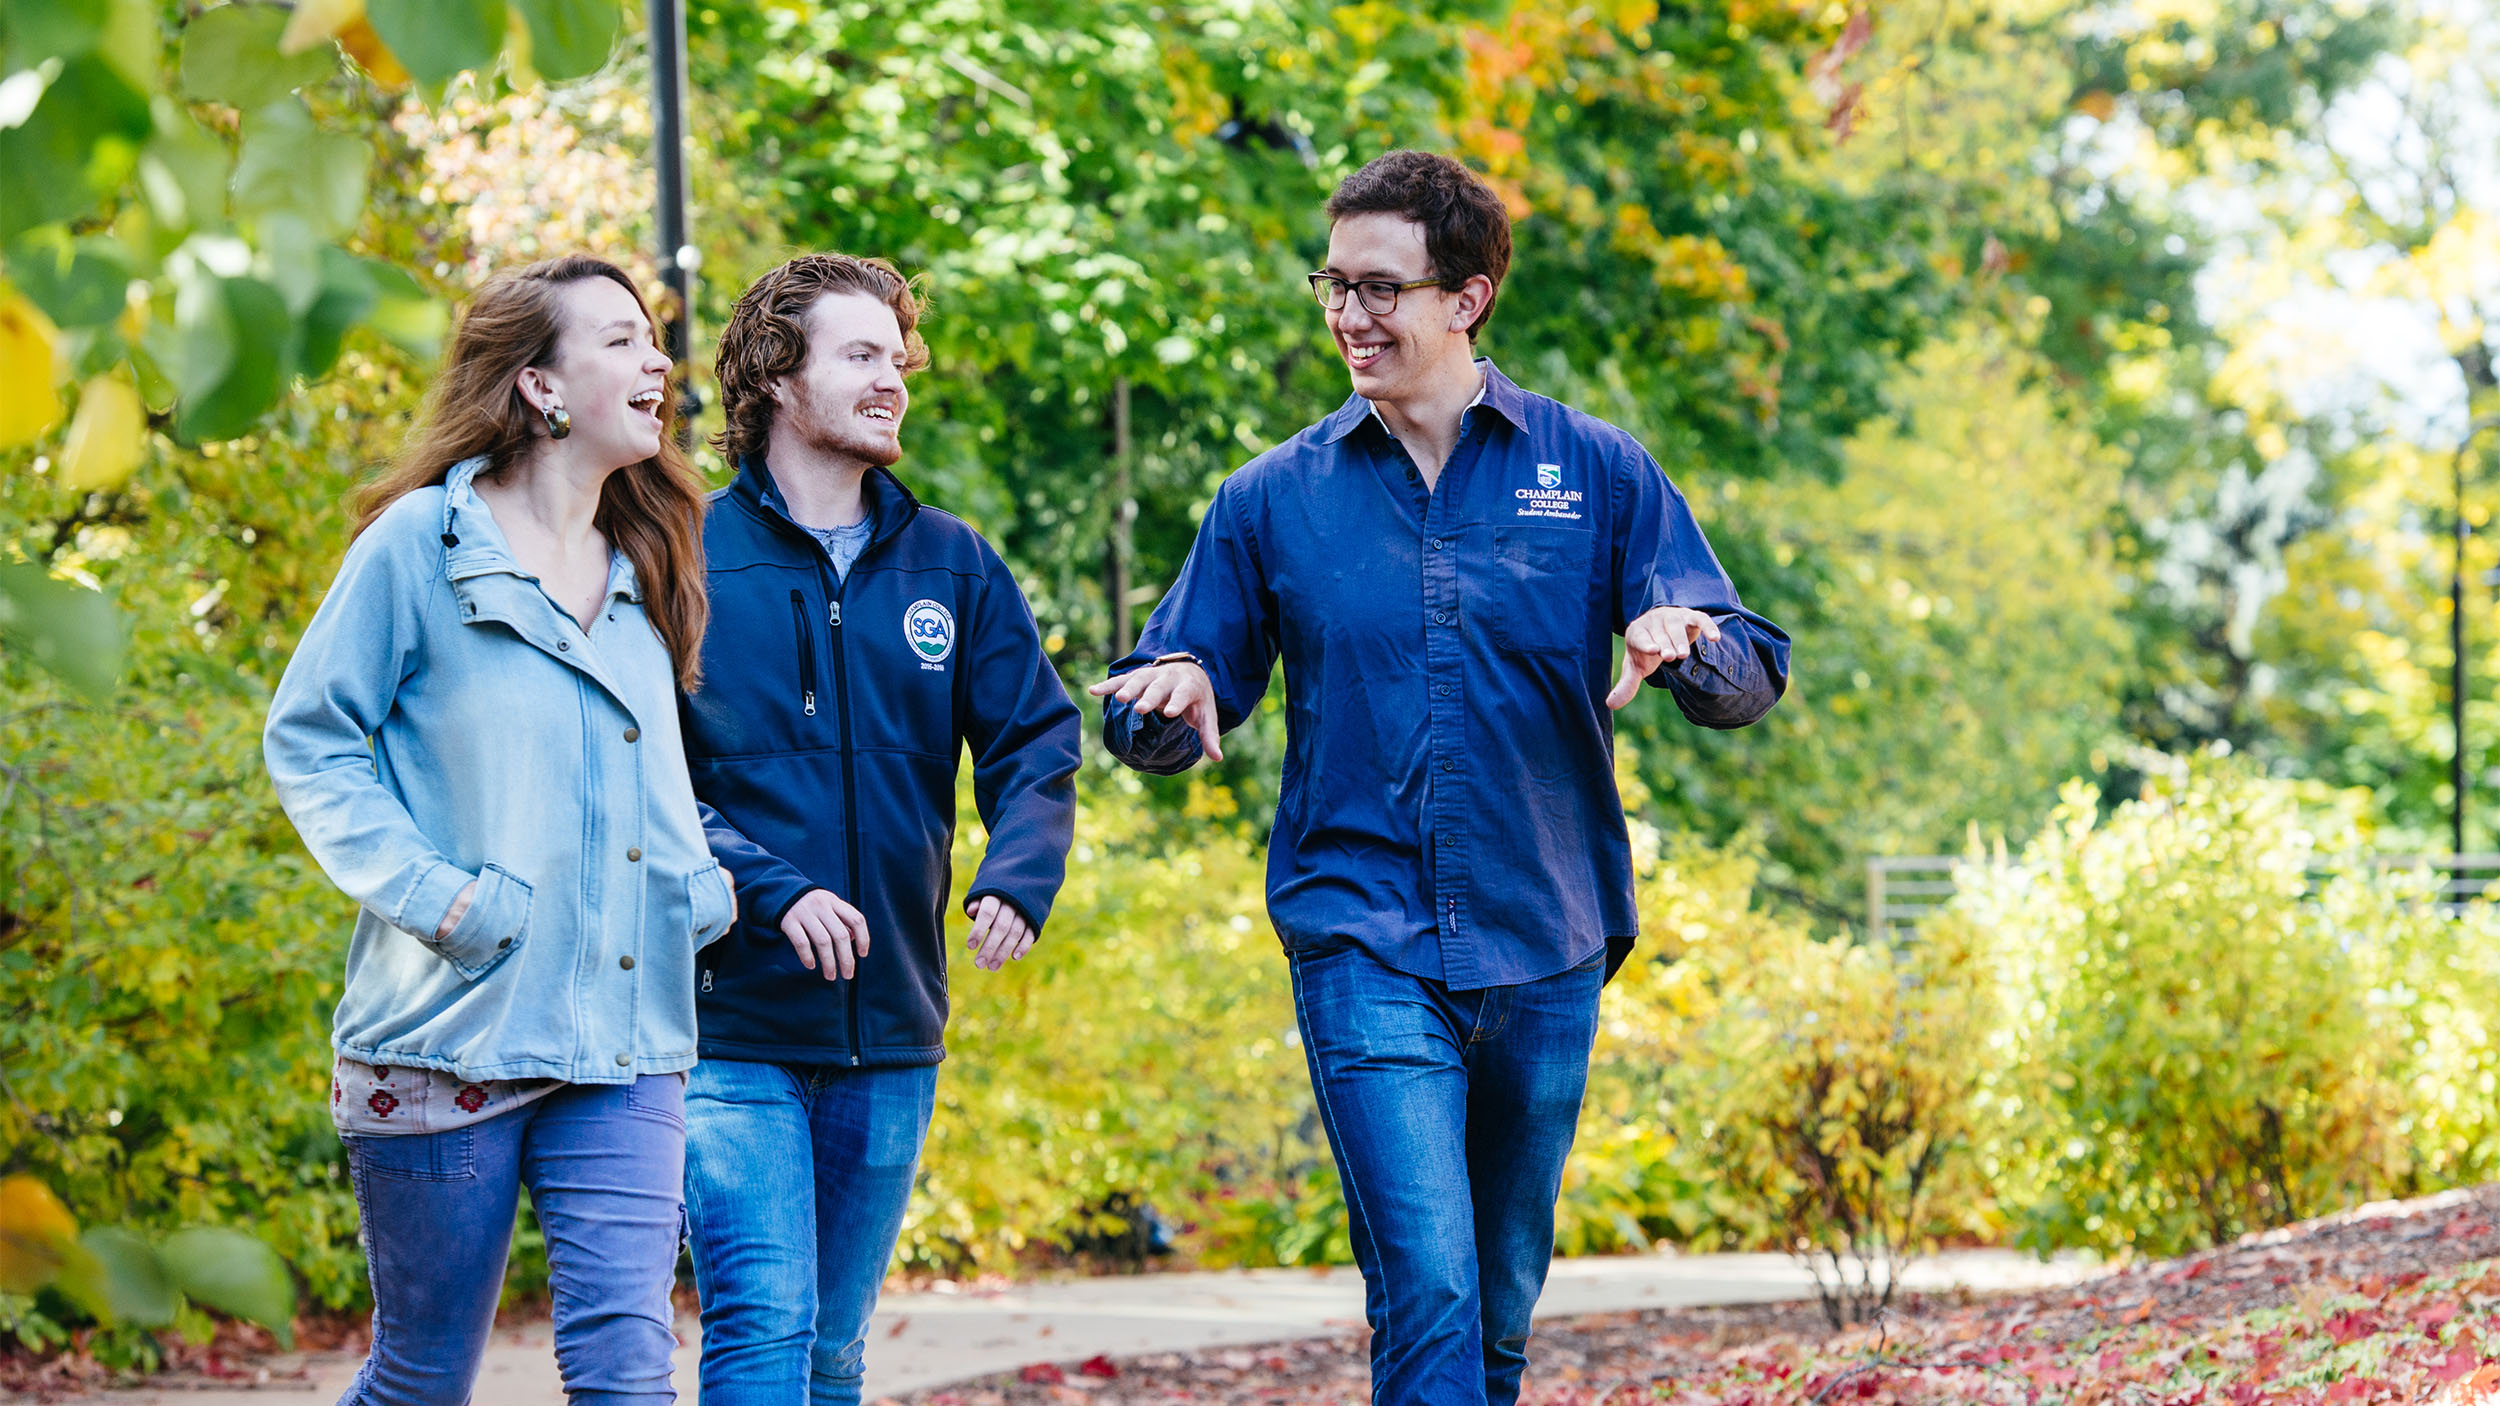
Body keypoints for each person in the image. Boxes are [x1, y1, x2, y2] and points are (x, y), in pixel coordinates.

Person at [1091, 151, 1791, 1406]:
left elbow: (1749, 672)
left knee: (1501, 1312)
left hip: (1546, 935)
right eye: (1333, 285)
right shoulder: (1270, 501)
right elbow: (1169, 685)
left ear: (1466, 299)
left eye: (1380, 288)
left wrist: (1690, 645)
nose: (1350, 316)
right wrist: (1168, 698)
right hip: (1360, 935)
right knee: (1431, 1294)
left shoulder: (1595, 472)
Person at [264, 254, 727, 1404]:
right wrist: (440, 898)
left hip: (625, 1032)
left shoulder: (647, 557)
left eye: (652, 337)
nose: (655, 359)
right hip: (449, 1037)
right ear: (539, 387)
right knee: (423, 1378)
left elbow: (646, 775)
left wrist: (697, 887)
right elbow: (311, 740)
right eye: (620, 338)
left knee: (629, 1373)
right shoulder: (422, 544)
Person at [675, 253, 1081, 1404]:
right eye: (861, 356)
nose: (894, 378)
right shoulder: (682, 558)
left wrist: (1019, 867)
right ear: (776, 377)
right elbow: (638, 777)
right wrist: (771, 886)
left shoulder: (951, 561)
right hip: (726, 1021)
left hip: (893, 1024)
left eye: (897, 358)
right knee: (761, 1323)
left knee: (833, 1350)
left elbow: (1035, 738)